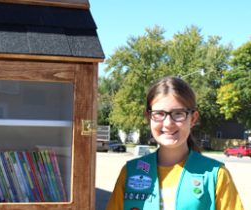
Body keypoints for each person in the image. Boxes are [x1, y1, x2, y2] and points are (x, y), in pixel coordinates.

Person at [105, 76, 244, 210]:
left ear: (193, 118)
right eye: (159, 113)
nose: (168, 123)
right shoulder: (130, 172)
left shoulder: (215, 175)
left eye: (178, 113)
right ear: (148, 117)